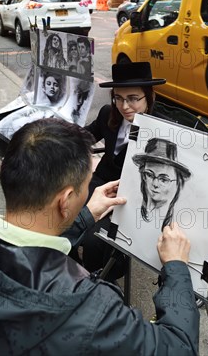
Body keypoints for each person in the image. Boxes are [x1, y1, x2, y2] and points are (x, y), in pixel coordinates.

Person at [0, 118, 200, 355]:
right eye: (86, 186)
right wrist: (176, 268)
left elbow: (21, 254)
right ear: (65, 201)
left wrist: (83, 217)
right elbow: (179, 347)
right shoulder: (87, 307)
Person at [80, 61, 166, 277]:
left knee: (93, 241)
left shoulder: (162, 132)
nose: (124, 106)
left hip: (130, 200)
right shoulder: (109, 113)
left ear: (149, 96)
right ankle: (74, 270)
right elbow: (84, 136)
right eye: (118, 97)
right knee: (61, 216)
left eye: (133, 99)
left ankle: (100, 281)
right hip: (98, 185)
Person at [133, 137, 192, 229]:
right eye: (149, 174)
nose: (155, 184)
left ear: (178, 182)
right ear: (143, 175)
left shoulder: (182, 221)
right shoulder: (132, 206)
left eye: (163, 179)